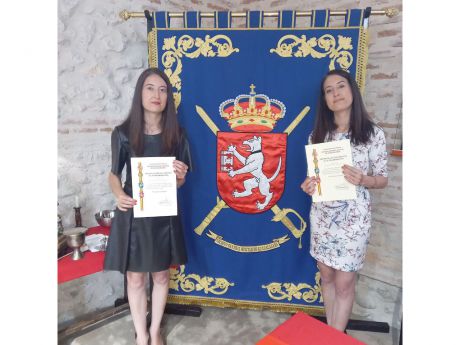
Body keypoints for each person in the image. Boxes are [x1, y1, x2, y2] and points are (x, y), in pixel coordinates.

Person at [104, 67, 192, 345]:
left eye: (163, 89)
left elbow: (179, 183)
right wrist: (118, 194)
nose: (157, 95)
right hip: (133, 213)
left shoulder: (177, 134)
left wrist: (180, 177)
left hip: (163, 213)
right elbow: (114, 173)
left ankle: (156, 332)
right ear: (139, 93)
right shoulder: (122, 133)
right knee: (135, 278)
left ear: (168, 97)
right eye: (150, 88)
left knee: (162, 274)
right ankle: (141, 334)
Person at [300, 69, 388, 332]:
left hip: (354, 222)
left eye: (340, 86)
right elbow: (313, 179)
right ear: (325, 99)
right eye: (329, 90)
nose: (336, 93)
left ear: (352, 91)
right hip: (323, 218)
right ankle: (332, 331)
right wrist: (308, 185)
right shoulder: (317, 137)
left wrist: (364, 179)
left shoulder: (373, 134)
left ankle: (334, 338)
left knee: (344, 283)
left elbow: (382, 179)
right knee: (326, 277)